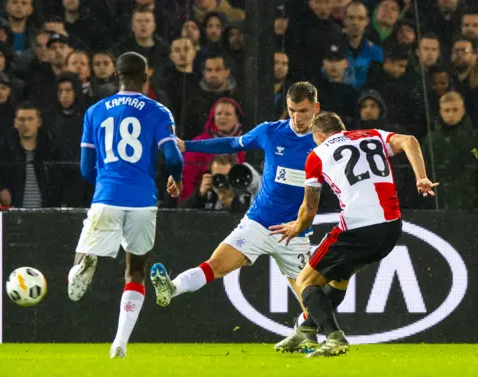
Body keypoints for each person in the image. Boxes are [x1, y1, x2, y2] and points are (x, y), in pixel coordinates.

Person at [150, 82, 343, 353]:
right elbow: (229, 142)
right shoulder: (270, 132)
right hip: (258, 222)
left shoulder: (327, 142)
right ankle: (172, 288)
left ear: (317, 108)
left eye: (303, 111)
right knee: (215, 265)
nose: (297, 118)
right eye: (291, 111)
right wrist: (186, 145)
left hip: (295, 232)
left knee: (310, 299)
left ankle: (314, 341)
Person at [269, 112, 437, 357]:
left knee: (306, 281)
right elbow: (409, 140)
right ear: (342, 128)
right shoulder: (372, 135)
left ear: (318, 135)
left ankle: (334, 337)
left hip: (358, 227)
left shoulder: (317, 154)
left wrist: (297, 226)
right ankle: (305, 328)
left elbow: (309, 208)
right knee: (338, 278)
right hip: (391, 227)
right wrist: (421, 177)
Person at [67, 52, 184, 359]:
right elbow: (173, 157)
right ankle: (119, 343)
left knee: (87, 247)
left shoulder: (95, 111)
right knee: (136, 270)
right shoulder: (158, 111)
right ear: (146, 76)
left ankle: (84, 263)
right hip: (144, 200)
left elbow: (84, 168)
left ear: (116, 76)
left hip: (108, 194)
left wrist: (106, 180)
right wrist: (175, 178)